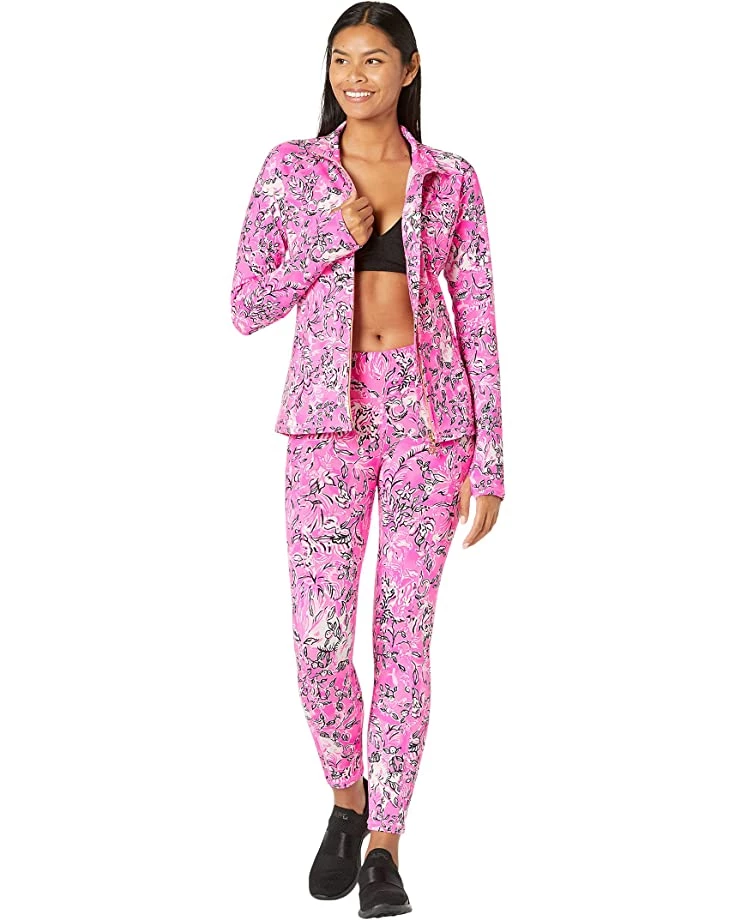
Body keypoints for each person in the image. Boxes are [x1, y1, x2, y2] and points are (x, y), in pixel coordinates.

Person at [230, 3, 504, 916]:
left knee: (404, 639)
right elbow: (245, 303)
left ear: (409, 70)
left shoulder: (452, 178)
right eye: (341, 59)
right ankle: (346, 796)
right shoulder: (291, 170)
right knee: (318, 636)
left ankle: (385, 845)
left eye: (374, 60)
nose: (355, 76)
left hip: (430, 424)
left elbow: (479, 319)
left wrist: (491, 459)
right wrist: (329, 238)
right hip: (325, 420)